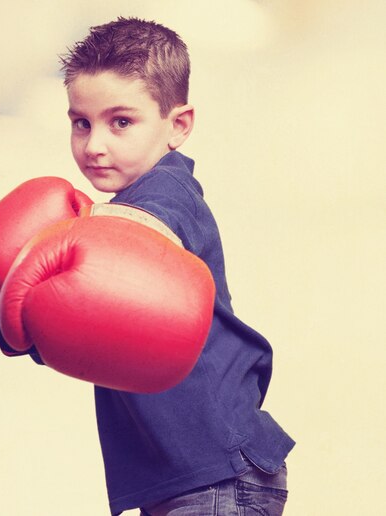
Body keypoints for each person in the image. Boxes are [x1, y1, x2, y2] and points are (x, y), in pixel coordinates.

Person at [55, 17, 295, 515]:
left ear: (178, 126)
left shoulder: (164, 194)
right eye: (82, 122)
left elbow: (140, 239)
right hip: (190, 477)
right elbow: (88, 333)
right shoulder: (120, 212)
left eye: (120, 122)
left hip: (217, 474)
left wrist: (63, 249)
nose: (95, 144)